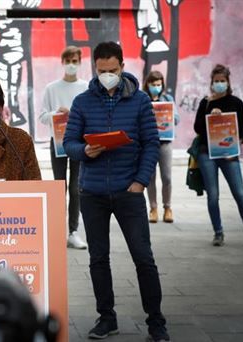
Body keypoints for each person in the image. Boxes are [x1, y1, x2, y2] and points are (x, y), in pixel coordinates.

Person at [63, 42, 169, 342]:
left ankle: (156, 322)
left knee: (143, 258)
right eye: (101, 71)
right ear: (94, 69)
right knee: (98, 258)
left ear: (122, 66)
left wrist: (140, 182)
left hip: (129, 190)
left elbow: (151, 144)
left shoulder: (140, 102)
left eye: (112, 70)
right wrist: (85, 150)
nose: (106, 75)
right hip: (92, 192)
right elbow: (68, 143)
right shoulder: (83, 102)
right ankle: (106, 318)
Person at [193, 64, 243, 248]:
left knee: (240, 194)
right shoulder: (205, 102)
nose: (219, 84)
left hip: (229, 156)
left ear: (228, 82)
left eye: (222, 81)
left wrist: (235, 145)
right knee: (213, 195)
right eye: (216, 81)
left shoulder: (236, 103)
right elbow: (197, 128)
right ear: (211, 83)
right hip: (207, 153)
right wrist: (211, 115)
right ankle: (218, 233)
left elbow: (242, 134)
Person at [39, 46, 88, 250]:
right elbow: (42, 117)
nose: (71, 64)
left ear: (80, 62)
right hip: (58, 143)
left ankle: (73, 231)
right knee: (60, 187)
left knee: (77, 188)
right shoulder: (52, 88)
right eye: (67, 60)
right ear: (62, 62)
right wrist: (55, 114)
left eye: (74, 60)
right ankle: (57, 230)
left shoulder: (86, 87)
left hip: (78, 142)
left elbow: (90, 116)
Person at [143, 71, 180, 223]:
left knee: (167, 177)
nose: (156, 87)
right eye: (153, 84)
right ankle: (153, 208)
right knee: (150, 178)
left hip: (165, 143)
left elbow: (176, 119)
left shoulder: (167, 99)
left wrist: (167, 115)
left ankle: (167, 208)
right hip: (148, 144)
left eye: (158, 84)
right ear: (148, 84)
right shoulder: (144, 99)